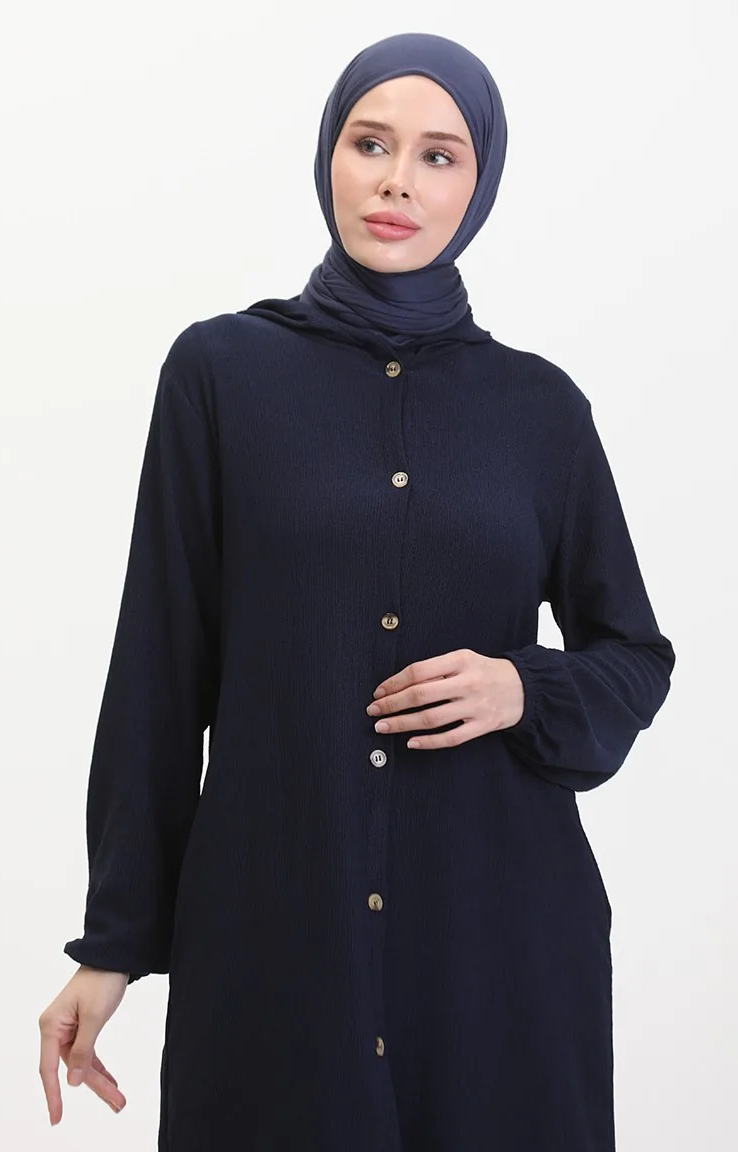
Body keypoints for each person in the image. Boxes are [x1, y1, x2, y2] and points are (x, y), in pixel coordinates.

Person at [38, 31, 675, 1152]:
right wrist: (113, 944)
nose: (397, 182)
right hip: (280, 941)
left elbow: (633, 655)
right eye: (370, 144)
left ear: (479, 183)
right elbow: (159, 668)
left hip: (498, 956)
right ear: (327, 153)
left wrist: (522, 688)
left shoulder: (541, 411)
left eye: (439, 156)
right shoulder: (221, 375)